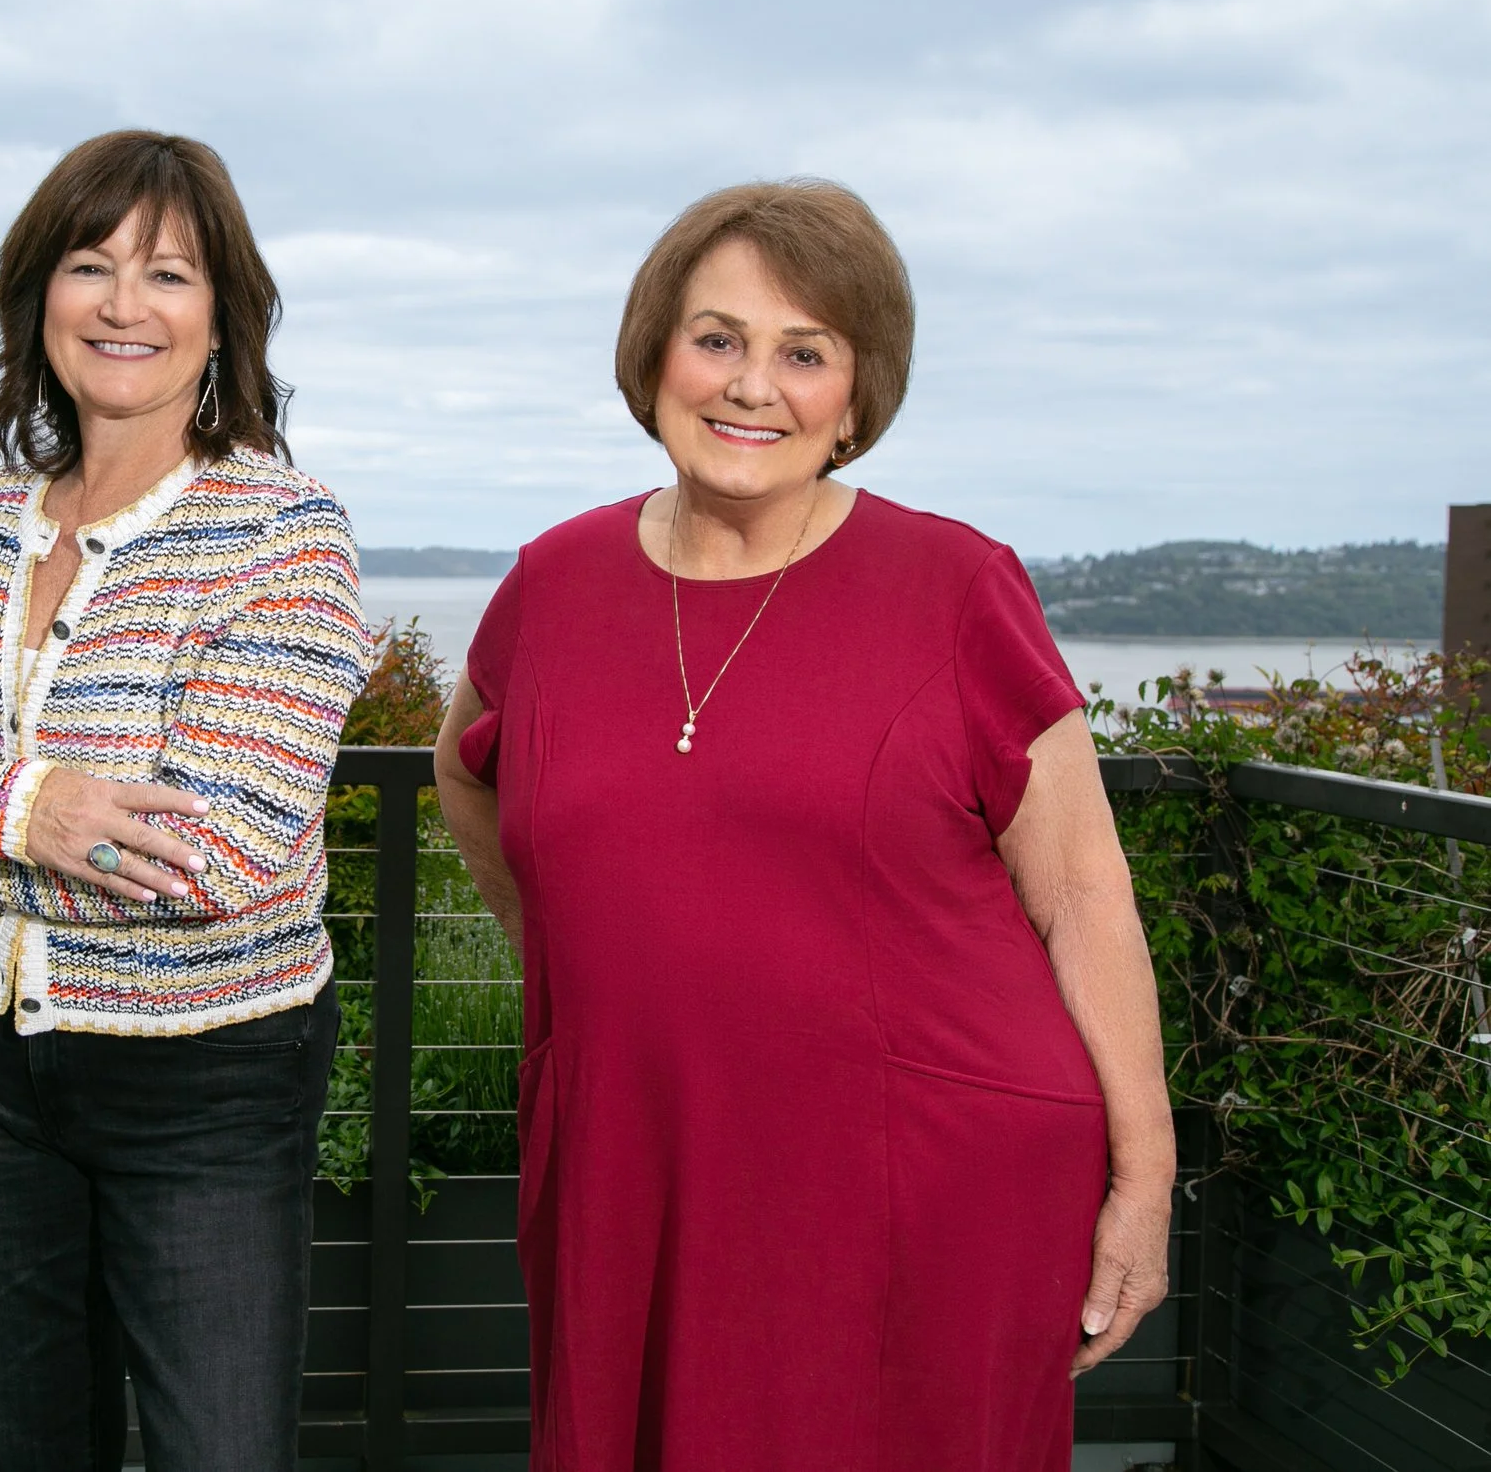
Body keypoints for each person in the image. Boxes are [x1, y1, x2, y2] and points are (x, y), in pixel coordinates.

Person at [433, 180, 1175, 1469]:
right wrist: (591, 961)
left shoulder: (956, 586)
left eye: (804, 352)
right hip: (641, 1159)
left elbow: (1082, 893)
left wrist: (1146, 1180)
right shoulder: (555, 580)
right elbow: (465, 769)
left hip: (928, 1179)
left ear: (857, 390)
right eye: (716, 338)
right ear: (654, 351)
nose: (750, 387)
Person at [0, 129, 374, 1471]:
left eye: (169, 273)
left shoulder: (284, 532)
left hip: (211, 1068)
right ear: (35, 297)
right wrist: (43, 811)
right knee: (7, 1446)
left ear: (221, 313)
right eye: (90, 262)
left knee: (215, 1451)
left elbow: (210, 851)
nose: (125, 303)